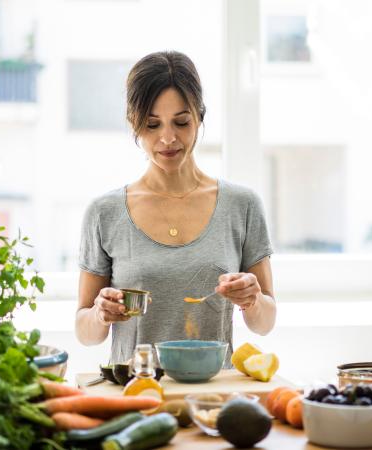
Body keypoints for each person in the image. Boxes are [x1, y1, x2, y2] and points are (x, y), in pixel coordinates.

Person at [74, 51, 276, 367]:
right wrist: (100, 314)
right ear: (135, 125)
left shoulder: (242, 205)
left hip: (212, 398)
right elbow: (85, 333)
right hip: (136, 395)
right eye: (152, 125)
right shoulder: (105, 212)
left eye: (181, 122)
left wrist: (253, 299)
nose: (168, 138)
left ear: (200, 116)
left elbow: (264, 323)